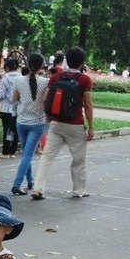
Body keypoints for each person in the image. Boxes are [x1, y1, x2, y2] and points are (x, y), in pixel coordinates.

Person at [31, 46, 94, 200]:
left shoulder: (55, 78)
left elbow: (45, 99)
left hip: (56, 124)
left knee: (46, 157)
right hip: (75, 124)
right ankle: (79, 189)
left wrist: (49, 117)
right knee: (78, 159)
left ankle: (38, 188)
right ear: (82, 62)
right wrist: (91, 127)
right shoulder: (84, 79)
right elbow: (88, 105)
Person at [10, 53, 49, 195]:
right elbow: (45, 101)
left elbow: (13, 99)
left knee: (27, 153)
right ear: (40, 66)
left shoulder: (19, 81)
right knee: (27, 154)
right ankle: (17, 184)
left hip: (21, 122)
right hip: (37, 123)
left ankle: (30, 181)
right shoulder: (45, 82)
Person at [0, 58, 20, 157]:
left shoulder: (5, 78)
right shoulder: (21, 77)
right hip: (17, 107)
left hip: (6, 108)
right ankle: (12, 151)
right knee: (14, 129)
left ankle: (6, 151)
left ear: (7, 67)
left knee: (7, 129)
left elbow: (2, 94)